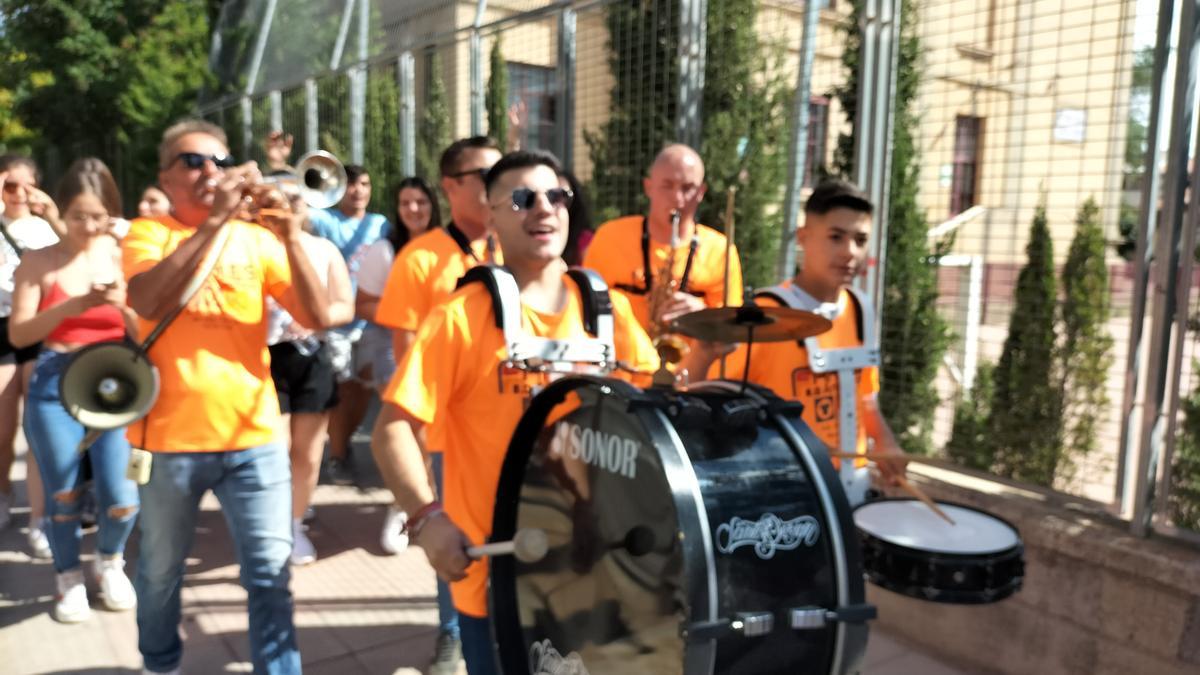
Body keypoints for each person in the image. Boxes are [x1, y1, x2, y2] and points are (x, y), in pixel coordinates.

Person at [373, 150, 685, 675]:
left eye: (555, 196)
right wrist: (426, 520)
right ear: (491, 215)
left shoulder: (606, 311)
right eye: (522, 199)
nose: (543, 209)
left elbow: (653, 409)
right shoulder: (463, 316)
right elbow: (392, 430)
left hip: (599, 569)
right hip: (501, 576)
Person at [122, 119, 332, 675]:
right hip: (166, 442)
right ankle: (160, 660)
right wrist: (214, 223)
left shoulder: (259, 239)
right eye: (193, 162)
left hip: (255, 438)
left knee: (270, 572)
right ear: (166, 178)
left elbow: (318, 317)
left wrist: (289, 235)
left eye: (219, 160)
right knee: (160, 572)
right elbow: (145, 298)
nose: (210, 171)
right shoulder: (148, 233)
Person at [371, 137, 501, 674]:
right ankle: (453, 638)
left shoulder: (515, 245)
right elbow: (405, 354)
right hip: (448, 434)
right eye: (485, 177)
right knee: (459, 544)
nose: (498, 188)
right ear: (451, 186)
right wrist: (419, 437)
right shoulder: (420, 256)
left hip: (511, 425)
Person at [696, 179, 906, 498]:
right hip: (788, 485)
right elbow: (719, 406)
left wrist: (887, 442)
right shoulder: (764, 316)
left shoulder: (862, 309)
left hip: (854, 483)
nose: (850, 252)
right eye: (836, 237)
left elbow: (866, 399)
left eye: (860, 240)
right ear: (803, 237)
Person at [7, 158, 140, 623]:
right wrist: (75, 305)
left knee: (122, 494)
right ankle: (67, 578)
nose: (88, 226)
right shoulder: (40, 261)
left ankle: (109, 561)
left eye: (98, 216)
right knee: (63, 492)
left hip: (116, 380)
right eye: (78, 215)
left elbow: (151, 332)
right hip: (54, 381)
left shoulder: (126, 254)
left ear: (112, 212)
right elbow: (21, 335)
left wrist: (124, 308)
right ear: (61, 210)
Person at [265, 206, 354, 566]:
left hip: (312, 354)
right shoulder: (256, 245)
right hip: (265, 356)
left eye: (292, 199)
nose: (286, 208)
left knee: (307, 453)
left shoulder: (324, 249)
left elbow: (345, 307)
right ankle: (271, 525)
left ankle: (294, 524)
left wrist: (315, 320)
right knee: (275, 450)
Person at [583, 143, 743, 335]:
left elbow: (734, 327)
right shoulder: (610, 237)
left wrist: (703, 313)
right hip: (624, 361)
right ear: (648, 187)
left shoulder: (720, 250)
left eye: (688, 188)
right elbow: (586, 306)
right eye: (667, 186)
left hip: (694, 362)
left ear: (701, 192)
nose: (678, 198)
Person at [308, 164, 391, 486]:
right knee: (341, 393)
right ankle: (338, 455)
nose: (359, 191)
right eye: (352, 184)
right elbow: (299, 210)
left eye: (365, 183)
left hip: (371, 322)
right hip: (338, 323)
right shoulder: (325, 220)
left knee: (362, 394)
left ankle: (344, 447)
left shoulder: (380, 224)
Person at [0, 154, 58, 557]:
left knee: (39, 429)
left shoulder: (45, 231)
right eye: (8, 186)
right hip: (1, 328)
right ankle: (3, 495)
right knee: (3, 429)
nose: (18, 194)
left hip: (39, 327)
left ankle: (41, 517)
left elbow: (74, 259)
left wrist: (53, 215)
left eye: (25, 186)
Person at [354, 177, 440, 401]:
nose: (413, 209)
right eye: (405, 203)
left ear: (433, 205)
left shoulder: (449, 249)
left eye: (421, 202)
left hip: (441, 345)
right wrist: (407, 316)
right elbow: (363, 305)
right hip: (393, 346)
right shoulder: (385, 250)